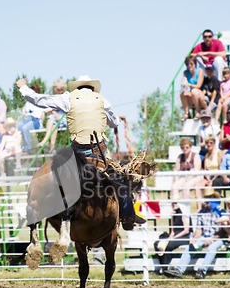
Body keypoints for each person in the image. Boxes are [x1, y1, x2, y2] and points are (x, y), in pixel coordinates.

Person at [16, 74, 139, 230]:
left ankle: (52, 209)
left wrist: (23, 87)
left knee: (57, 179)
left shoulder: (68, 98)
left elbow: (39, 100)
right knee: (120, 180)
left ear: (76, 87)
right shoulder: (102, 100)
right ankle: (128, 217)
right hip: (98, 152)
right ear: (92, 88)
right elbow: (114, 122)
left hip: (77, 154)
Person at [164, 192, 225, 279]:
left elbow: (224, 230)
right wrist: (194, 239)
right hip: (205, 236)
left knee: (212, 248)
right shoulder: (202, 212)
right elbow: (199, 230)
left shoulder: (221, 211)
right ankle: (179, 270)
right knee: (191, 247)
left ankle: (202, 270)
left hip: (218, 237)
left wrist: (212, 239)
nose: (206, 202)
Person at [154, 202, 191, 273]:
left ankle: (165, 267)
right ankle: (163, 266)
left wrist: (174, 238)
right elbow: (173, 230)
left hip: (184, 237)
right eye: (172, 203)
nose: (173, 205)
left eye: (175, 203)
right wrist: (169, 238)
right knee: (157, 243)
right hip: (175, 236)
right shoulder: (174, 215)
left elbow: (186, 230)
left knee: (168, 245)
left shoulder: (183, 214)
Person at [171, 137, 204, 210]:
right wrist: (176, 180)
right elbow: (176, 170)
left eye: (187, 147)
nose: (185, 149)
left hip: (195, 177)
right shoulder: (180, 157)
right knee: (175, 186)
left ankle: (185, 206)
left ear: (190, 147)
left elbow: (197, 170)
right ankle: (176, 204)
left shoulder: (195, 156)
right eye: (183, 147)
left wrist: (188, 178)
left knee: (186, 186)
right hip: (184, 176)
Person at [39, 79, 68, 153]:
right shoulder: (54, 97)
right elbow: (51, 108)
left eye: (60, 89)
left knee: (52, 119)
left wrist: (53, 112)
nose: (59, 91)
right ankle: (51, 147)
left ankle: (46, 140)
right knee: (52, 122)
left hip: (64, 117)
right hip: (56, 118)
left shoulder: (66, 96)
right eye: (57, 89)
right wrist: (45, 111)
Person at [17, 83, 45, 153]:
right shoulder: (28, 102)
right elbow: (24, 111)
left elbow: (43, 113)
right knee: (18, 126)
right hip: (27, 119)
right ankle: (18, 146)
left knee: (25, 128)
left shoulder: (40, 101)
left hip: (35, 120)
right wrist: (24, 113)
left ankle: (28, 147)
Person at [180, 56, 206, 121]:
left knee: (194, 91)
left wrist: (189, 84)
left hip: (200, 92)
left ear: (195, 64)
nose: (189, 66)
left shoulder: (200, 71)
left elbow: (198, 85)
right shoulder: (185, 73)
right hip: (191, 92)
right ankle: (186, 113)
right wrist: (184, 83)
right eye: (187, 64)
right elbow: (184, 83)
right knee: (183, 94)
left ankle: (198, 111)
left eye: (191, 64)